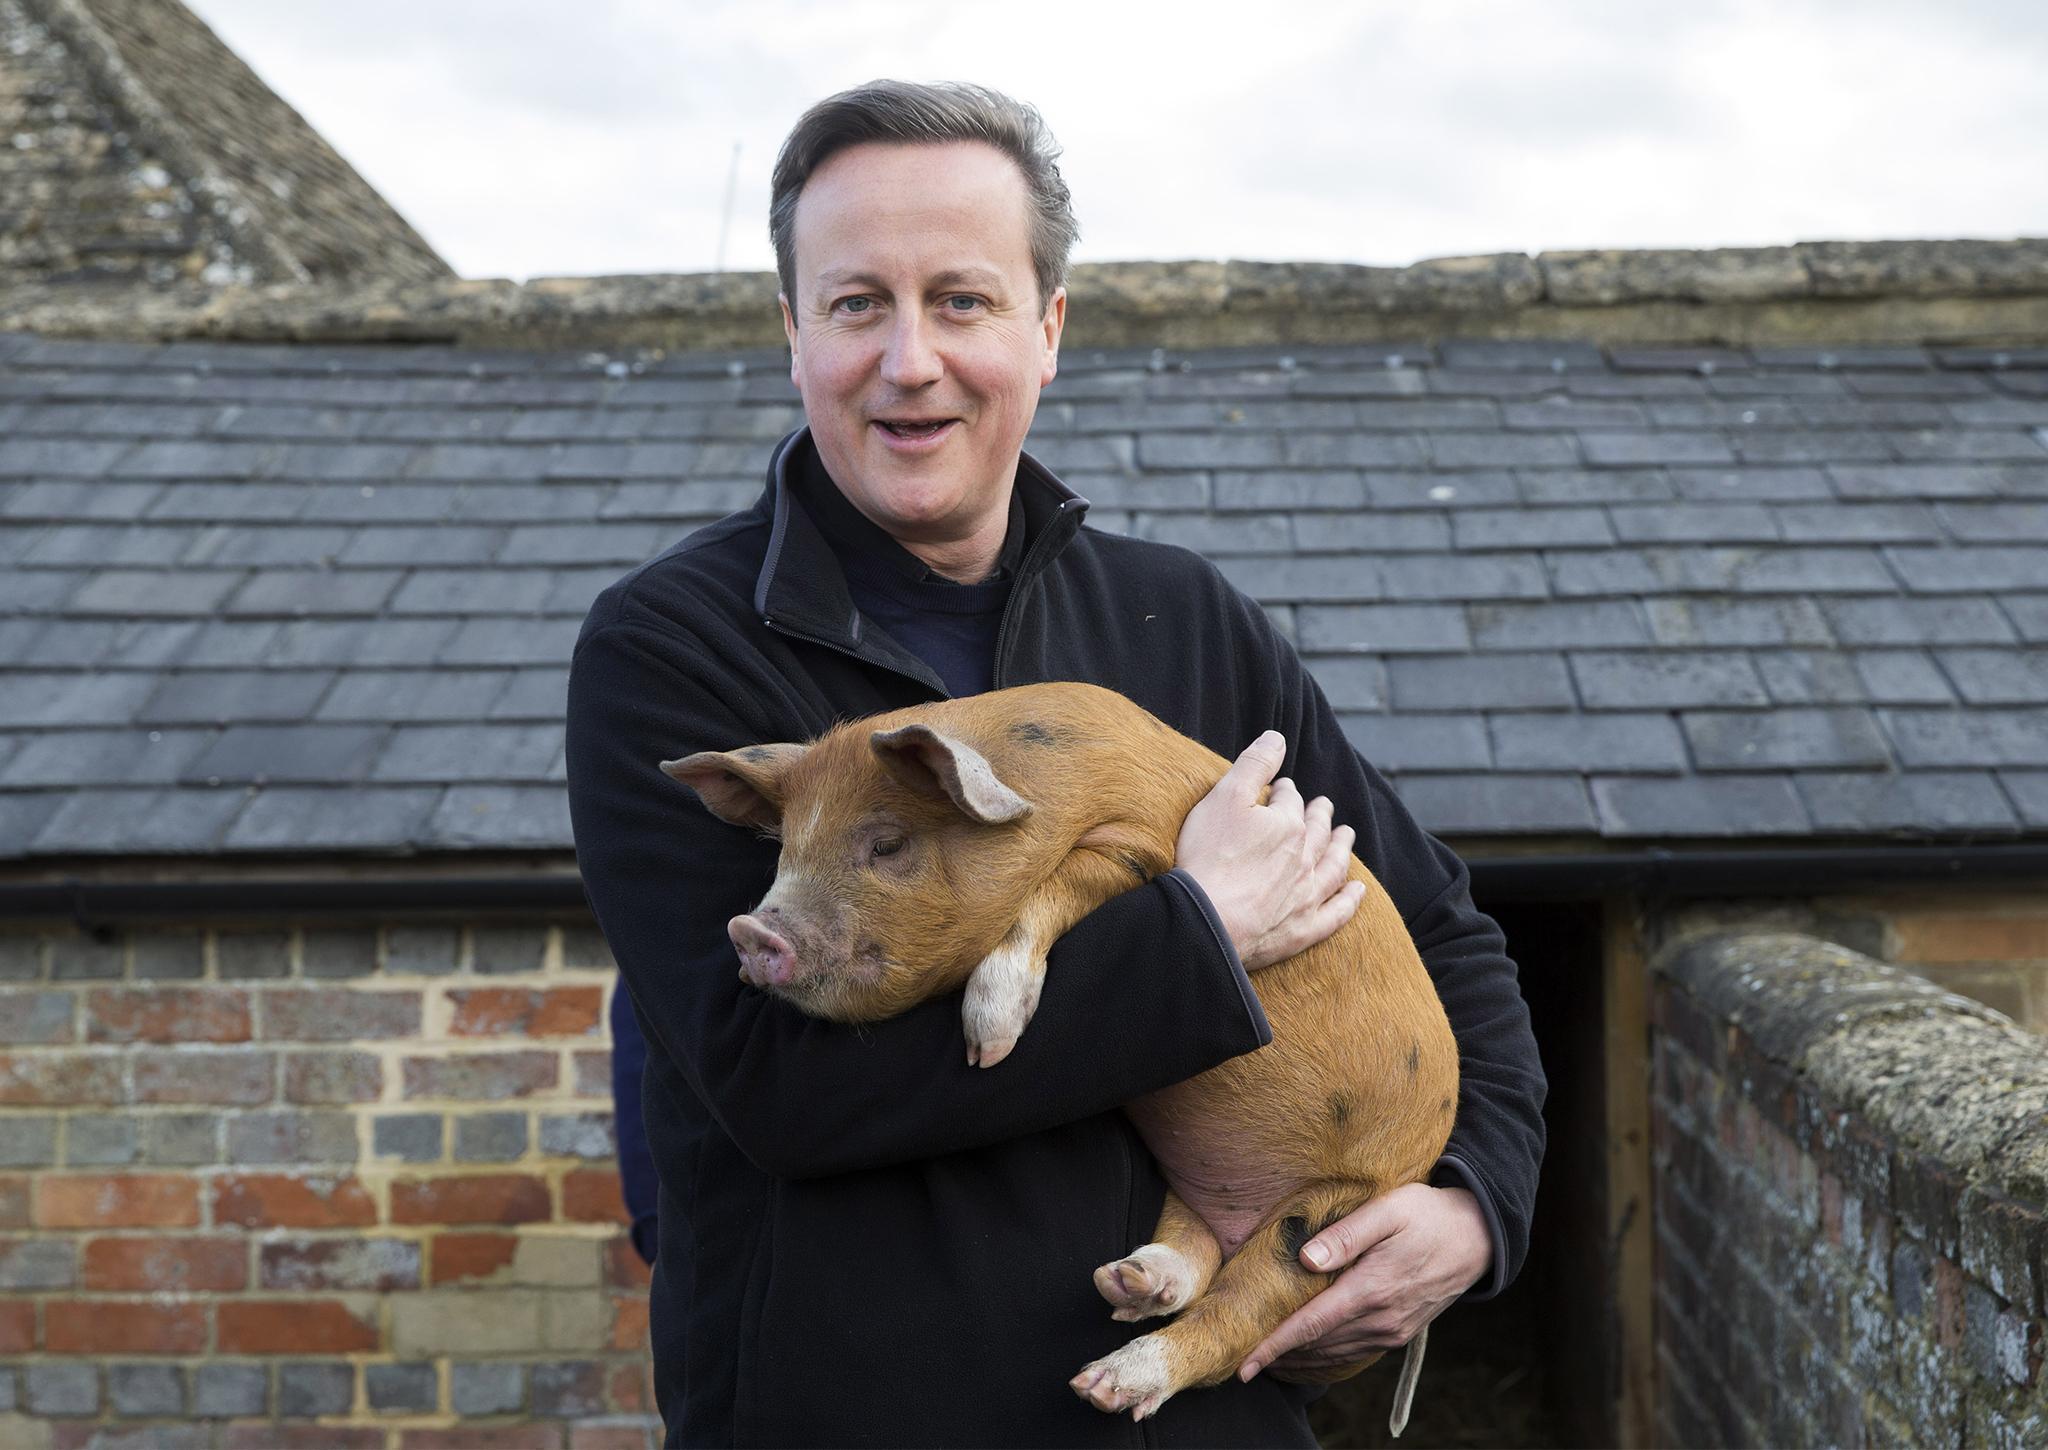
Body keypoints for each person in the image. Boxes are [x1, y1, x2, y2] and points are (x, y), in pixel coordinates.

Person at [566, 80, 1546, 1448]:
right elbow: (779, 1088)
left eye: (962, 299)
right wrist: (1193, 935)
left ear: (1049, 329)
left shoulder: (1182, 620)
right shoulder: (674, 654)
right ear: (793, 335)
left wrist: (1476, 1204)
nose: (910, 359)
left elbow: (1442, 933)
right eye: (857, 304)